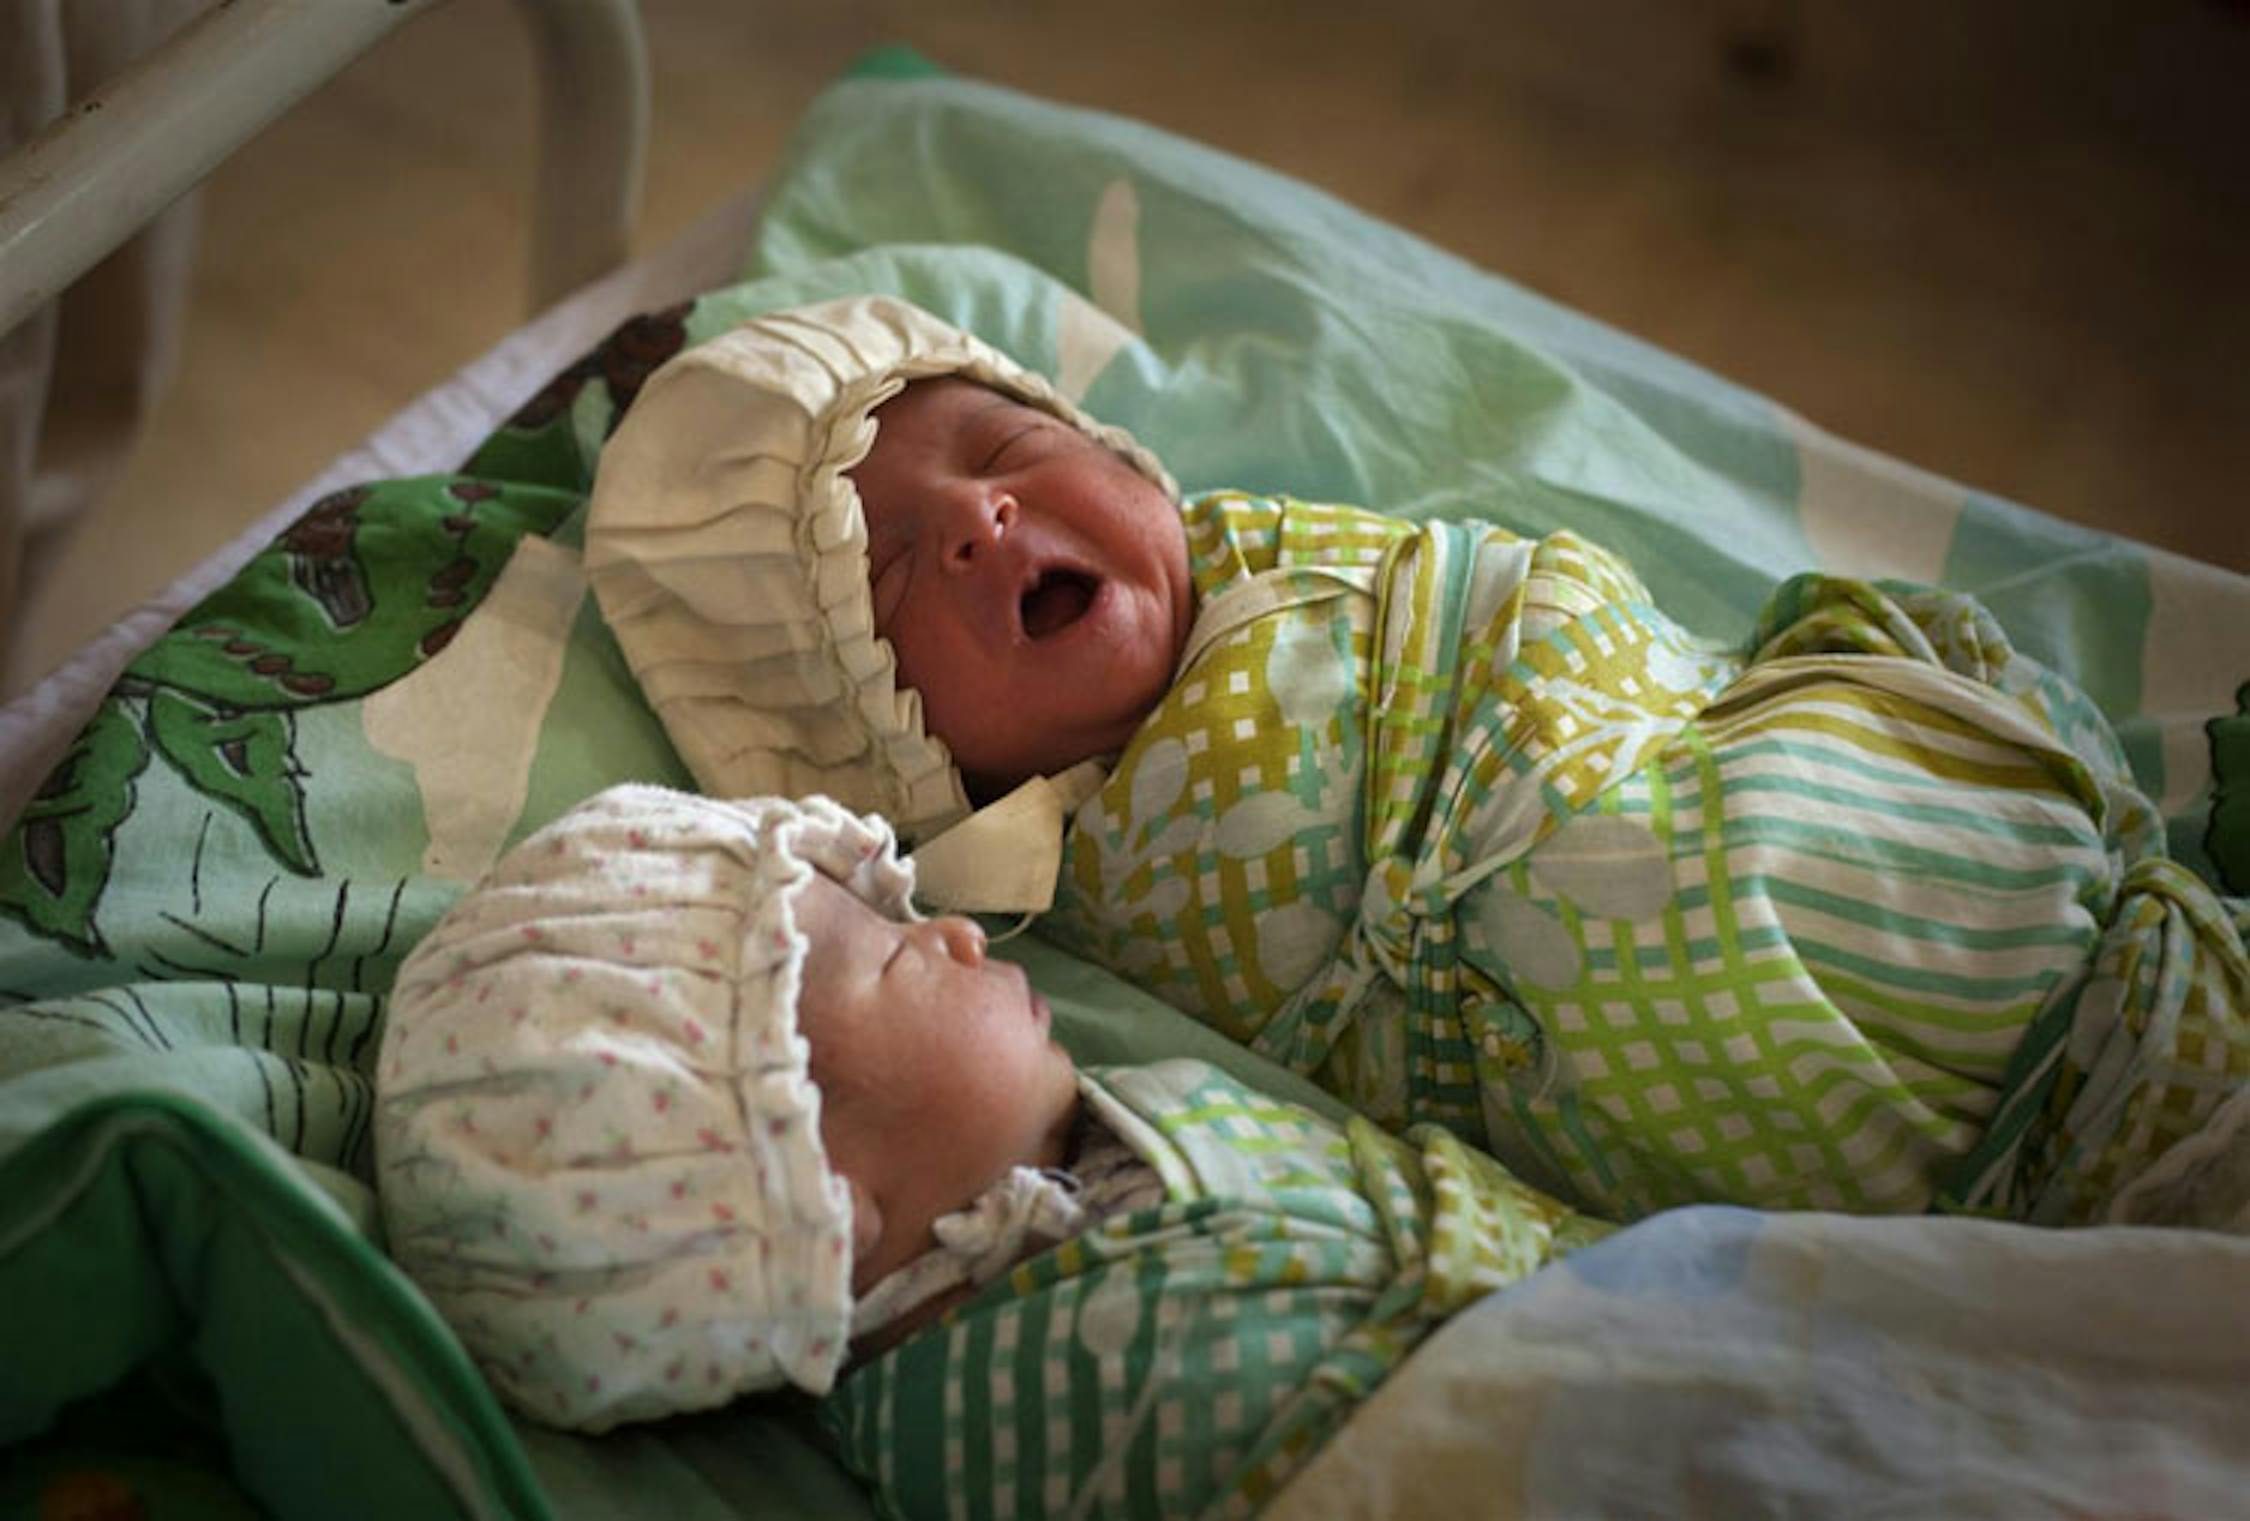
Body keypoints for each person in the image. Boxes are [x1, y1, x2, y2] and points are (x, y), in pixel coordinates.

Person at [582, 294, 2250, 1234]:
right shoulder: (1025, 877)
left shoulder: (1257, 547)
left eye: (1009, 450)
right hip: (1716, 1002)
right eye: (884, 581)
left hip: (1854, 791)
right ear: (898, 751)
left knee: (2078, 929)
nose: (973, 517)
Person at [375, 785, 1604, 1519]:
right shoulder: (999, 1422)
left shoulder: (1085, 1147)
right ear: (815, 1194)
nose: (959, 933)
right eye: (905, 952)